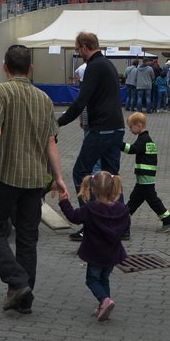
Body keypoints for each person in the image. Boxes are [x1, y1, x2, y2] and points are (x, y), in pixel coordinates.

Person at [0, 45, 68, 315]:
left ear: (4, 67)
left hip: (6, 175)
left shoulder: (0, 92)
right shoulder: (44, 99)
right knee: (28, 237)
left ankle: (17, 282)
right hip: (36, 179)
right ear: (31, 68)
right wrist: (58, 177)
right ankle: (23, 295)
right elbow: (51, 141)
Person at [57, 32, 127, 241]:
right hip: (117, 127)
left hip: (102, 129)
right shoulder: (107, 64)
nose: (78, 53)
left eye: (78, 49)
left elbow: (81, 101)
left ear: (85, 47)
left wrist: (58, 123)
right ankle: (121, 224)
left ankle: (91, 222)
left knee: (81, 172)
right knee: (112, 175)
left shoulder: (94, 67)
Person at [58, 171, 130, 321]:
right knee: (104, 278)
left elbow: (74, 217)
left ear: (93, 190)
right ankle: (104, 305)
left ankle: (104, 300)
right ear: (113, 188)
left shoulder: (90, 209)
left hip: (95, 253)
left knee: (92, 280)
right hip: (112, 253)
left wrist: (64, 202)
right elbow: (125, 227)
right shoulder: (122, 209)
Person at [122, 112, 170, 233]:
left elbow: (132, 149)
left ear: (139, 125)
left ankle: (168, 220)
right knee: (134, 199)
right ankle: (123, 218)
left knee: (152, 200)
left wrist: (119, 144)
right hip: (145, 176)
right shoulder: (146, 139)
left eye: (131, 127)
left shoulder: (144, 140)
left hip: (145, 176)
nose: (130, 129)